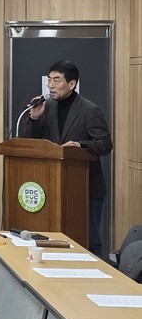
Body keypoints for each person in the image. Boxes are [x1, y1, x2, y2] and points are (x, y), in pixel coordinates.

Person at [20, 60, 113, 256]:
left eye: (57, 80)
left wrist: (81, 145)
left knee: (89, 240)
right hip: (54, 186)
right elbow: (31, 142)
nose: (50, 85)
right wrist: (34, 118)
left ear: (72, 84)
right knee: (56, 237)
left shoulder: (89, 110)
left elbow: (105, 144)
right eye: (49, 80)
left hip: (85, 188)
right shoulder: (47, 107)